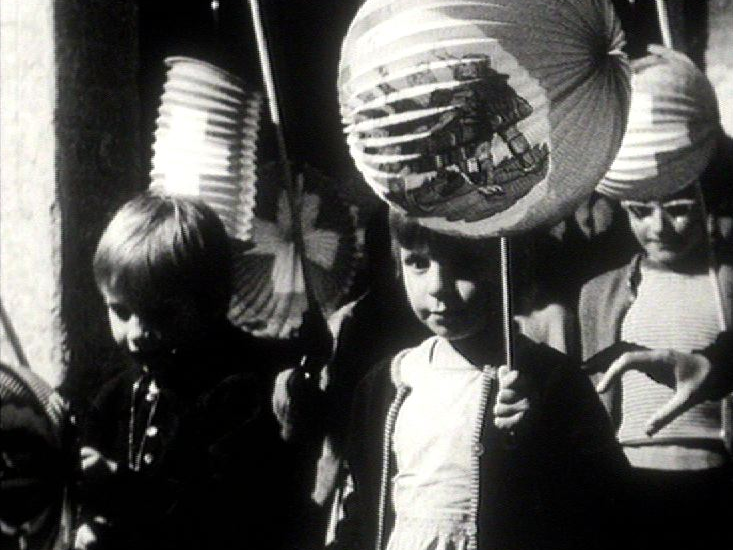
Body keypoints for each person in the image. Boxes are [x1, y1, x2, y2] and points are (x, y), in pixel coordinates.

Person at [328, 209, 629, 550]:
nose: (438, 287)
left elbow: (605, 504)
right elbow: (360, 514)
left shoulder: (548, 380)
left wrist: (539, 436)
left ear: (505, 264)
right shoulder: (386, 383)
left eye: (463, 264)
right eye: (418, 263)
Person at [579, 46, 733, 548]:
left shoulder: (725, 282)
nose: (659, 227)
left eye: (681, 207)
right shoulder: (600, 296)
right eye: (640, 211)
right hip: (628, 490)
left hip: (715, 485)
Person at [73, 191, 288, 550]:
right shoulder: (115, 395)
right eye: (121, 312)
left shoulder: (241, 390)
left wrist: (118, 486)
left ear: (212, 300)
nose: (137, 334)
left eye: (160, 314)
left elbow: (218, 513)